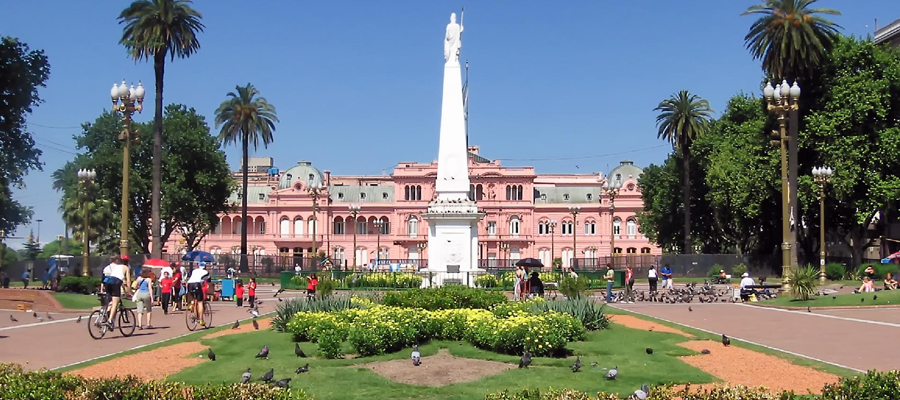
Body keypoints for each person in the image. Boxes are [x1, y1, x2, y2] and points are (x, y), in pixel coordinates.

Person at [101, 256, 131, 328]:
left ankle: (106, 312)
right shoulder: (126, 268)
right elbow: (128, 281)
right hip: (116, 283)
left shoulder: (116, 267)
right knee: (115, 303)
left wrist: (123, 287)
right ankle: (110, 320)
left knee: (111, 300)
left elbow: (119, 280)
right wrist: (129, 291)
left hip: (108, 281)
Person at [186, 262, 210, 326]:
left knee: (193, 297)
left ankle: (192, 304)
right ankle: (201, 320)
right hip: (197, 284)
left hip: (189, 284)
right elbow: (208, 279)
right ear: (205, 267)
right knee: (200, 302)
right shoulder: (205, 272)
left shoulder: (194, 271)